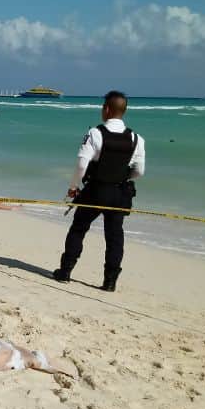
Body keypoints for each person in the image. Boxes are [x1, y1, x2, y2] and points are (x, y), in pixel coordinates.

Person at [52, 90, 146, 292]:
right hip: (119, 193)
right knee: (114, 237)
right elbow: (139, 172)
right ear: (124, 111)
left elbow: (81, 165)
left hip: (96, 190)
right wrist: (122, 177)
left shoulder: (96, 133)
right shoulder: (137, 139)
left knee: (78, 229)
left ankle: (65, 271)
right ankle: (110, 281)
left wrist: (73, 187)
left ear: (106, 109)